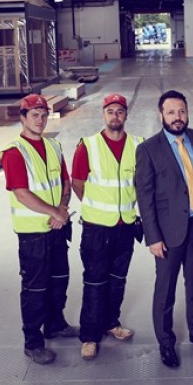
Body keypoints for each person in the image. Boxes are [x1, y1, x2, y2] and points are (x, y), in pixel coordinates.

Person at [135, 90, 193, 368]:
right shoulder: (149, 148)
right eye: (171, 112)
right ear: (161, 115)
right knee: (166, 289)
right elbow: (145, 197)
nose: (178, 117)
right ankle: (166, 343)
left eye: (182, 111)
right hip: (169, 231)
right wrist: (153, 237)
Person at [0, 94, 79, 366]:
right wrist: (55, 212)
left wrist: (63, 209)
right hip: (33, 235)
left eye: (43, 114)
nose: (40, 119)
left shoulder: (54, 146)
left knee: (59, 280)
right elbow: (21, 194)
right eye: (34, 115)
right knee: (35, 289)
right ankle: (33, 343)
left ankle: (55, 324)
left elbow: (65, 182)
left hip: (56, 229)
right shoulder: (14, 152)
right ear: (23, 118)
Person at [71, 93, 143, 361]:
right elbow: (77, 183)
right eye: (110, 111)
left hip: (125, 226)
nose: (115, 116)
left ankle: (111, 323)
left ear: (126, 115)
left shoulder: (138, 145)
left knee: (117, 280)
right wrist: (96, 207)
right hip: (97, 229)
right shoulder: (88, 146)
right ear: (103, 115)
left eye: (120, 111)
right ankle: (89, 335)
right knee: (94, 281)